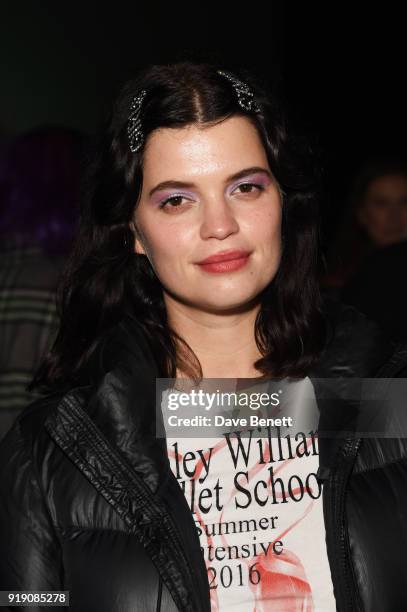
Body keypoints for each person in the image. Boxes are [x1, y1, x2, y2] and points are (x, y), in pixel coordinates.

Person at [0, 61, 406, 611]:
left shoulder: (391, 400)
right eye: (176, 199)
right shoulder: (49, 452)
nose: (219, 224)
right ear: (134, 232)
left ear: (282, 201)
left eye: (245, 187)